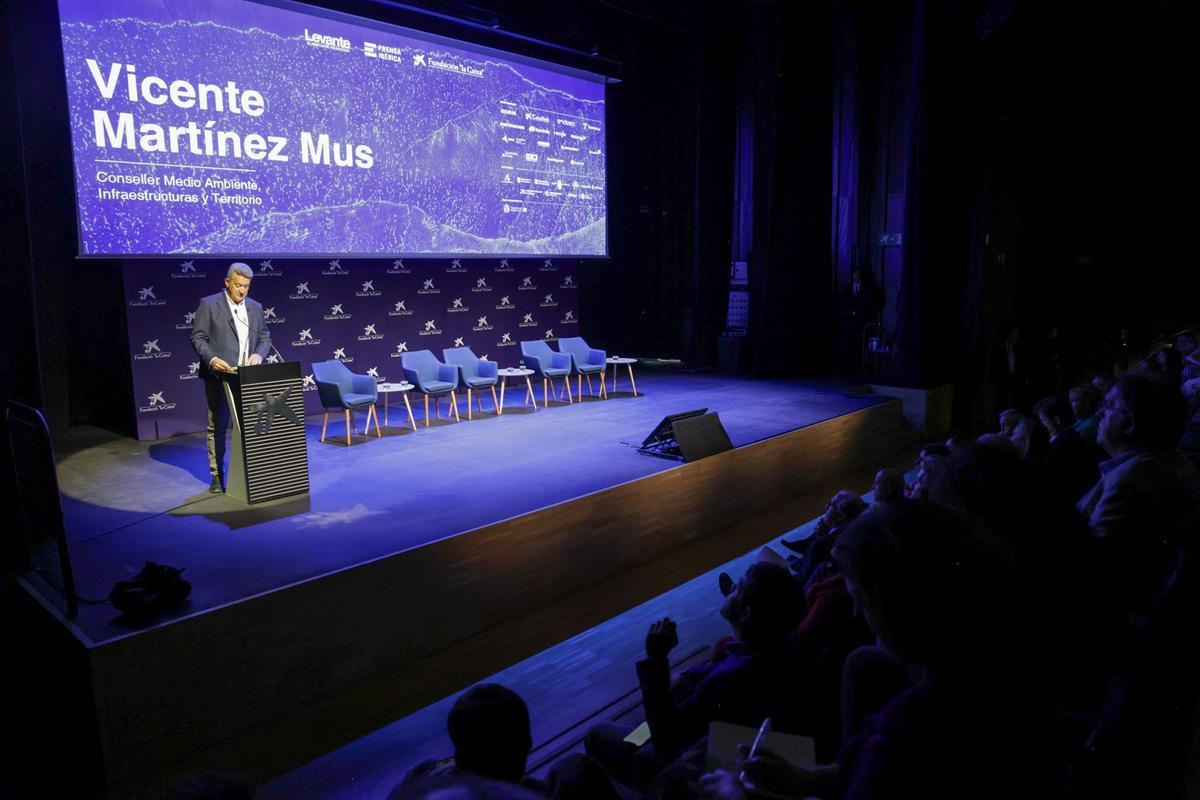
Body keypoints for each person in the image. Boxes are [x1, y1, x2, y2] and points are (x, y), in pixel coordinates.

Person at [190, 263, 272, 492]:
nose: (242, 290)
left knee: (251, 425)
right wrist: (212, 359)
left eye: (246, 286)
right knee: (217, 426)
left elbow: (265, 337)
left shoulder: (255, 307)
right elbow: (198, 338)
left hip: (247, 377)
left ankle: (251, 474)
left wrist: (258, 354)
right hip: (220, 376)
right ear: (227, 282)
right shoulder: (209, 304)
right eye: (238, 285)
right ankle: (217, 476)